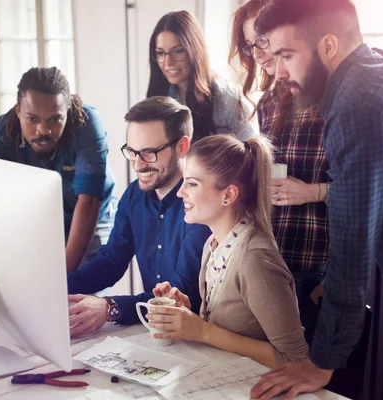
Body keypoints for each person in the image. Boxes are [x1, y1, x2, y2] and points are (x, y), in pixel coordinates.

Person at [251, 0, 383, 399]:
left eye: (287, 56)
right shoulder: (377, 66)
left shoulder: (361, 103)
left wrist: (321, 361)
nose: (278, 72)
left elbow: (352, 238)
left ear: (328, 46)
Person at [149, 134, 308, 367]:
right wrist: (189, 315)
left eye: (192, 183)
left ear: (229, 195)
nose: (180, 192)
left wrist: (201, 330)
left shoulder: (255, 260)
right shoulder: (213, 244)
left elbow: (296, 360)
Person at [229, 0, 331, 344]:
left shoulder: (330, 95)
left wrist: (313, 191)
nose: (256, 52)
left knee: (314, 376)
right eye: (248, 44)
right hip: (273, 256)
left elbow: (367, 191)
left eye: (260, 39)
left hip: (318, 259)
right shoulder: (269, 103)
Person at [67, 96, 211, 336]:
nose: (138, 165)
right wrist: (58, 287)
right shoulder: (134, 196)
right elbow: (111, 263)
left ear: (182, 147)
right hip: (153, 331)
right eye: (132, 152)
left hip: (199, 334)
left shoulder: (201, 202)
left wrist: (111, 307)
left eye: (149, 153)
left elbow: (184, 291)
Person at [0, 67, 117, 272]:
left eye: (55, 119)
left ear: (68, 110)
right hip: (41, 218)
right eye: (32, 119)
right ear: (18, 110)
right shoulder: (1, 134)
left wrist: (63, 278)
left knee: (81, 291)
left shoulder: (87, 122)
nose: (43, 130)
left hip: (93, 215)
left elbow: (89, 200)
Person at [147, 10, 257, 142]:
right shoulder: (160, 97)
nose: (168, 62)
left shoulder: (228, 98)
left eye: (178, 51)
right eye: (160, 53)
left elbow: (253, 154)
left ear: (195, 51)